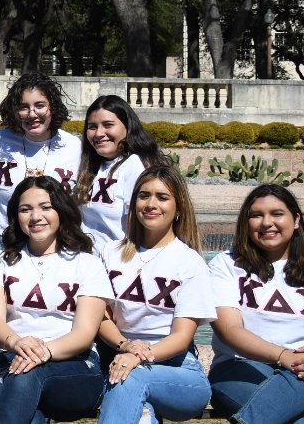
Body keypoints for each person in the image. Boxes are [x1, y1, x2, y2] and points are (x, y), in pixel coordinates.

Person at [207, 184, 304, 423]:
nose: (267, 222)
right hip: (240, 369)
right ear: (246, 222)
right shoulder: (226, 265)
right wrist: (283, 355)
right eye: (256, 215)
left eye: (277, 214)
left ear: (296, 220)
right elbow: (230, 330)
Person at [0, 176, 111, 422]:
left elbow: (84, 333)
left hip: (74, 367)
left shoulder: (87, 263)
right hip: (13, 358)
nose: (35, 216)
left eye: (46, 207)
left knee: (25, 376)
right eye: (25, 209)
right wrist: (17, 343)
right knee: (27, 399)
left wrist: (42, 352)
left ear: (61, 211)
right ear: (15, 216)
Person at [96, 166, 215, 422]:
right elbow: (101, 316)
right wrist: (125, 346)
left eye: (162, 197)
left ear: (178, 208)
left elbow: (181, 338)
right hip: (120, 358)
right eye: (144, 195)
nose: (151, 204)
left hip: (178, 371)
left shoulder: (190, 262)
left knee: (131, 376)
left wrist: (135, 356)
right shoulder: (110, 253)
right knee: (140, 411)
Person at [0, 73, 82, 272]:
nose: (32, 114)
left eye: (40, 105)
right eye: (24, 107)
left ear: (52, 106)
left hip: (53, 245)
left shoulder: (73, 146)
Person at [74, 95, 164, 245]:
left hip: (118, 256)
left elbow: (142, 225)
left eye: (108, 125)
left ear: (128, 127)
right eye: (92, 127)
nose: (99, 133)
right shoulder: (88, 166)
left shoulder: (134, 165)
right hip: (86, 255)